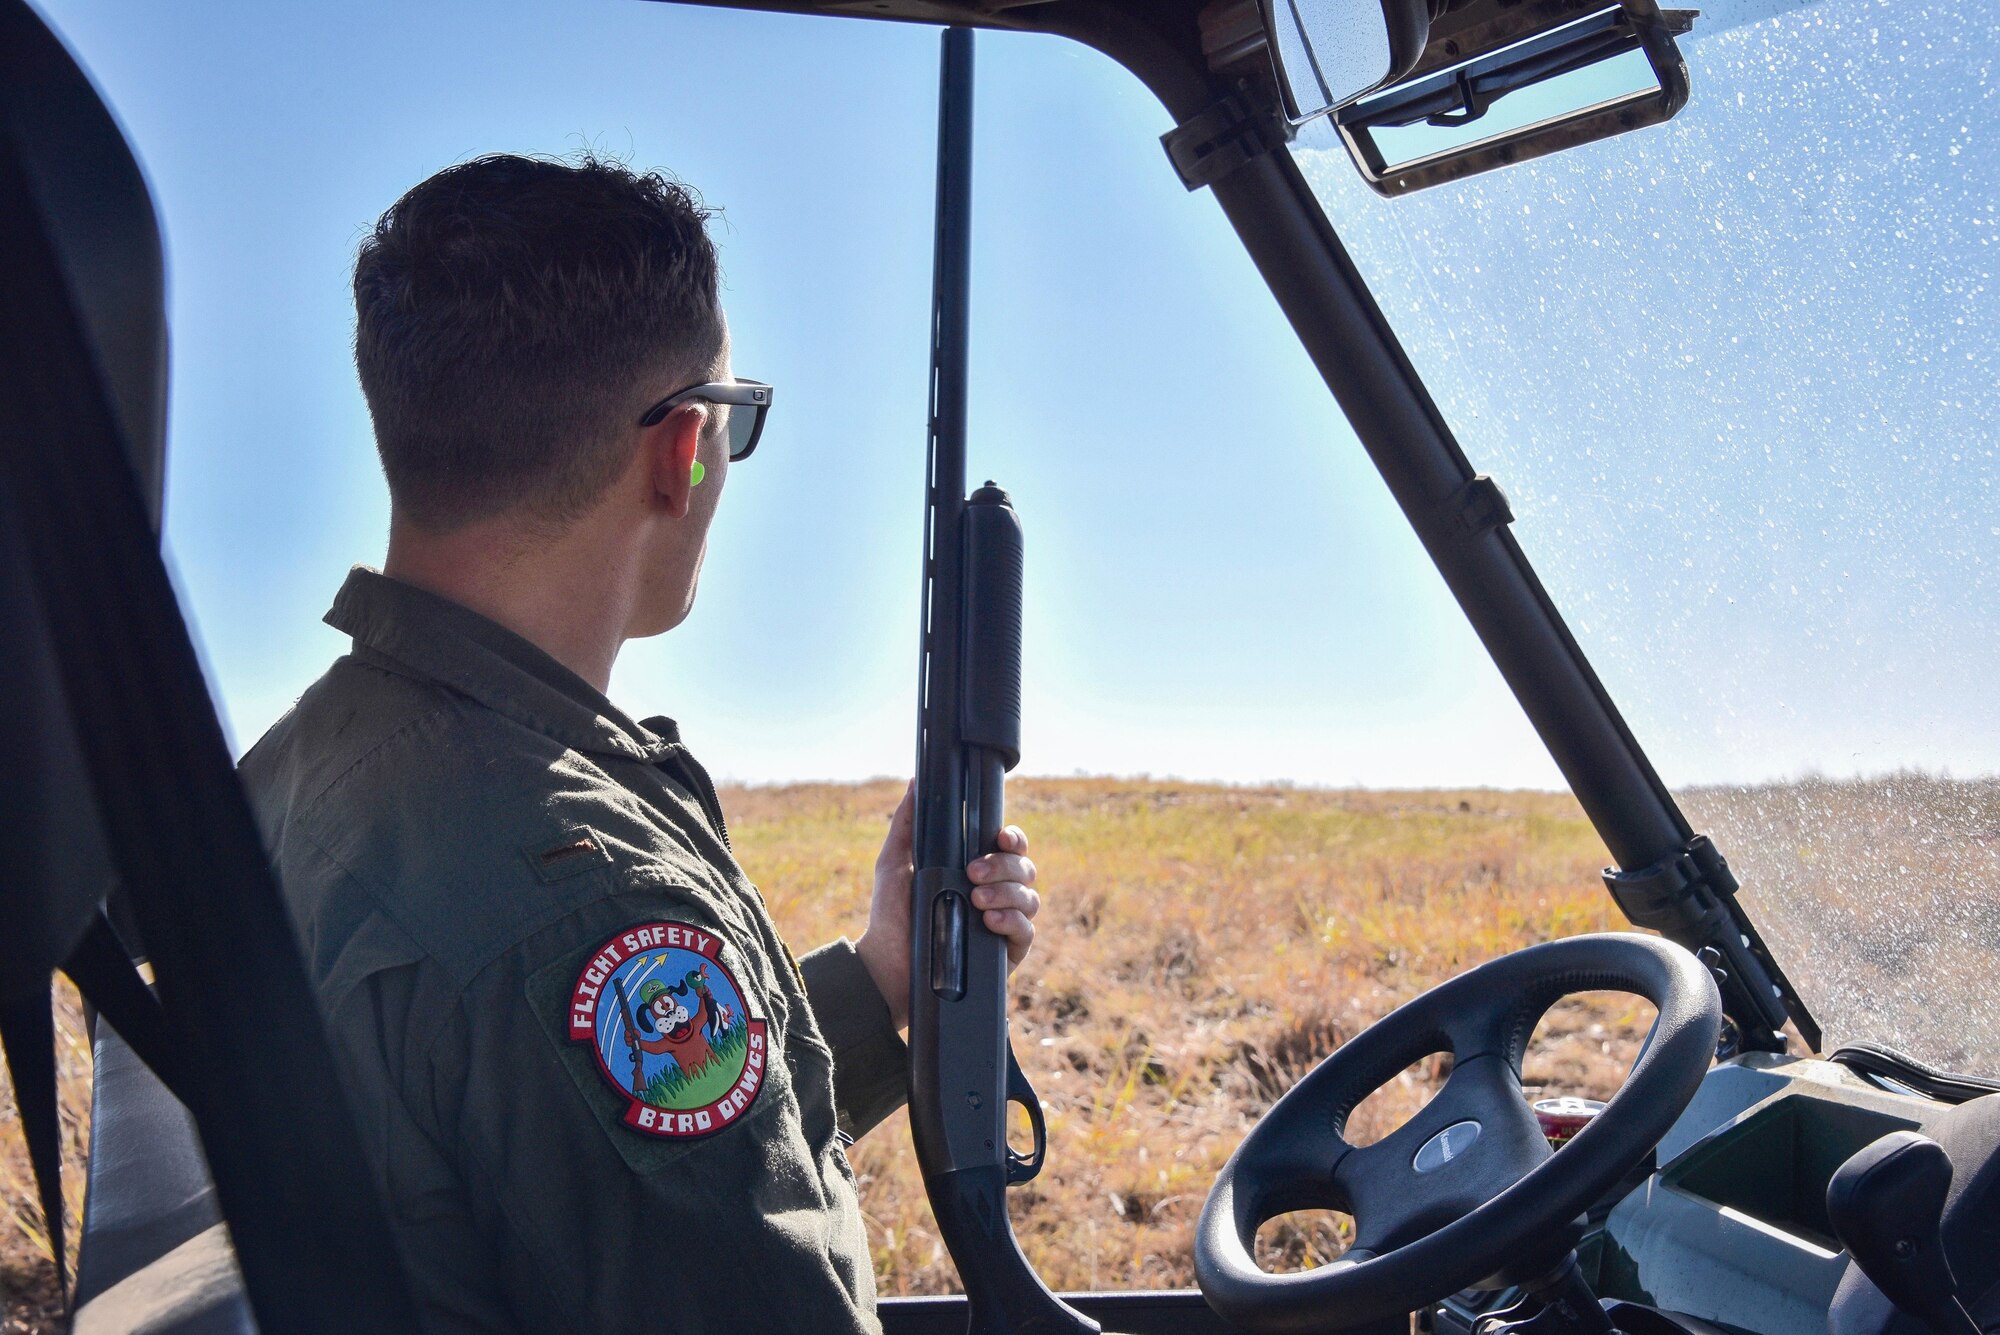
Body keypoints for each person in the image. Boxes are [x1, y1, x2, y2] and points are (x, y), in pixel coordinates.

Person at [238, 152, 1043, 1333]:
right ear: (682, 450)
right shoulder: (583, 898)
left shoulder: (304, 766)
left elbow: (545, 1137)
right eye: (735, 419)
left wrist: (880, 980)